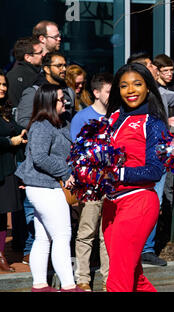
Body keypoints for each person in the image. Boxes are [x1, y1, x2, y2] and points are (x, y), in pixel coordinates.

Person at [102, 63, 167, 292]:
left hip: (137, 202)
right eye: (124, 85)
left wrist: (118, 173)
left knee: (118, 279)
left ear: (149, 87)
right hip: (111, 204)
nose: (131, 90)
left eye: (137, 84)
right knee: (133, 275)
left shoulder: (154, 123)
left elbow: (155, 170)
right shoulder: (113, 118)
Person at [127, 51, 174, 265]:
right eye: (151, 65)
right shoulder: (129, 96)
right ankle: (131, 247)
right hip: (134, 157)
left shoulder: (160, 93)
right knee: (134, 203)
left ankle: (147, 249)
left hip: (157, 157)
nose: (156, 68)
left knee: (153, 203)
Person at [15, 84, 84, 292]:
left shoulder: (60, 122)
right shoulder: (42, 126)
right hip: (45, 188)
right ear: (48, 102)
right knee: (62, 236)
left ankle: (40, 285)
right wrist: (66, 172)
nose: (66, 102)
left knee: (43, 237)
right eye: (61, 99)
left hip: (47, 187)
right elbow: (40, 158)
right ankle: (69, 286)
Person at [71, 72, 113, 291]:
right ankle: (83, 278)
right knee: (86, 232)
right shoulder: (82, 117)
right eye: (108, 91)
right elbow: (75, 152)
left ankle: (109, 279)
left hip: (112, 183)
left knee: (107, 233)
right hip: (90, 185)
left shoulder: (117, 116)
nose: (112, 94)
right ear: (96, 93)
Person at [0, 71, 27, 272]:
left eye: (4, 84)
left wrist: (22, 132)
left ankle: (0, 255)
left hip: (6, 168)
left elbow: (15, 127)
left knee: (2, 215)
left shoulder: (4, 108)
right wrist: (10, 142)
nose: (2, 88)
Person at [17, 51, 75, 128]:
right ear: (47, 69)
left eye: (65, 65)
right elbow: (23, 120)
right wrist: (46, 131)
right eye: (59, 66)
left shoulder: (69, 92)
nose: (64, 69)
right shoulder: (34, 92)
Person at [6, 36, 43, 109]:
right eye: (40, 53)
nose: (43, 55)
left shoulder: (36, 73)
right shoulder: (17, 77)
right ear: (28, 57)